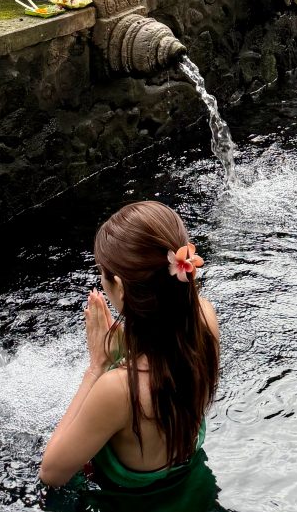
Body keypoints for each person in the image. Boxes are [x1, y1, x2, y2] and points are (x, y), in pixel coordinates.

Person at [40, 201, 220, 489]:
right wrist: (125, 346)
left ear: (120, 288)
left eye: (102, 271)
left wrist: (97, 366)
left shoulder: (119, 390)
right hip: (196, 490)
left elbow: (51, 473)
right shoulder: (204, 319)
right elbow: (164, 355)